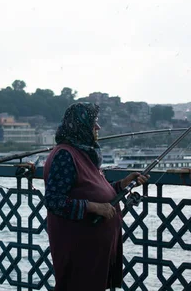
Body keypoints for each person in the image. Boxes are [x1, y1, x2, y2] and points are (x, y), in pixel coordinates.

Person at [43, 102, 149, 291]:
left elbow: (93, 190)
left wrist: (123, 184)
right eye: (93, 123)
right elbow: (54, 201)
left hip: (94, 250)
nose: (98, 127)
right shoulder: (65, 155)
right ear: (80, 125)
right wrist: (94, 207)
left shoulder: (84, 153)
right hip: (79, 249)